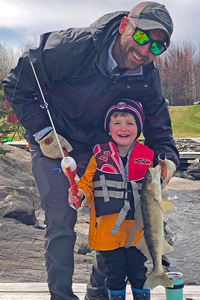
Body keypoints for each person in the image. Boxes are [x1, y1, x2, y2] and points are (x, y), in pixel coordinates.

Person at [2, 2, 179, 300]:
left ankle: (97, 293)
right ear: (124, 26)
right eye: (141, 37)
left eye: (157, 47)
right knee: (62, 218)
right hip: (55, 145)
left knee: (114, 214)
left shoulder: (147, 75)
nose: (145, 50)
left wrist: (168, 165)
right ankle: (62, 296)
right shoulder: (73, 46)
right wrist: (45, 133)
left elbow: (161, 133)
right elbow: (16, 84)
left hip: (100, 148)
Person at [68, 99, 155, 300]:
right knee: (114, 275)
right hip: (107, 232)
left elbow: (155, 193)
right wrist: (79, 194)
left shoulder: (148, 156)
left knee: (139, 273)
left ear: (139, 129)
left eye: (130, 123)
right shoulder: (99, 156)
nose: (123, 128)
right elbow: (87, 184)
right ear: (109, 129)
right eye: (117, 123)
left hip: (138, 232)